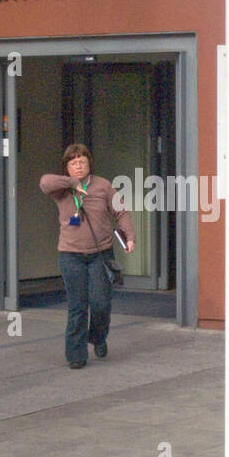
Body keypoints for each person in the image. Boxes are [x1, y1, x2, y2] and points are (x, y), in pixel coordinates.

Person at [40, 143, 134, 369]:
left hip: (100, 254)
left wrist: (129, 236)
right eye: (73, 163)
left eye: (82, 161)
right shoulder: (62, 188)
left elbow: (121, 211)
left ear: (90, 163)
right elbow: (44, 182)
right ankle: (76, 355)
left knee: (101, 303)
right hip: (70, 255)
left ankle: (98, 337)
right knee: (77, 305)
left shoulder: (103, 186)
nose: (79, 166)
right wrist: (73, 182)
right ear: (67, 167)